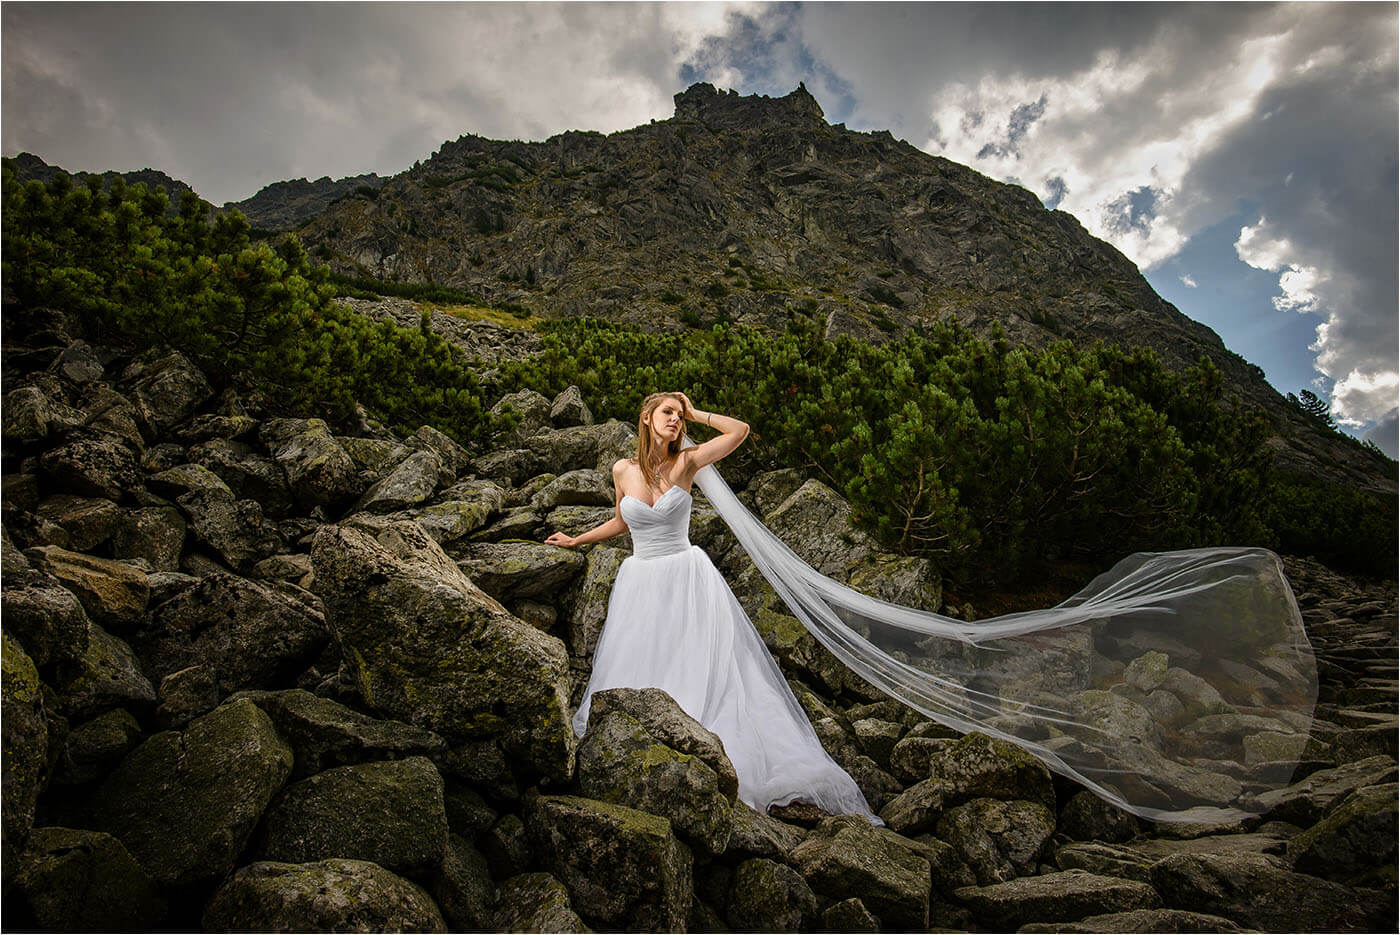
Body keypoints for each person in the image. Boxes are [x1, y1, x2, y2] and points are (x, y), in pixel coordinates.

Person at [545, 391, 880, 822]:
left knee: (697, 665)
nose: (675, 421)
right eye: (667, 413)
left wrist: (695, 412)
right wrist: (576, 539)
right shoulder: (622, 469)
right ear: (646, 417)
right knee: (644, 660)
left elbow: (739, 430)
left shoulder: (687, 462)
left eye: (679, 417)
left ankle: (706, 748)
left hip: (686, 575)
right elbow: (622, 522)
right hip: (641, 579)